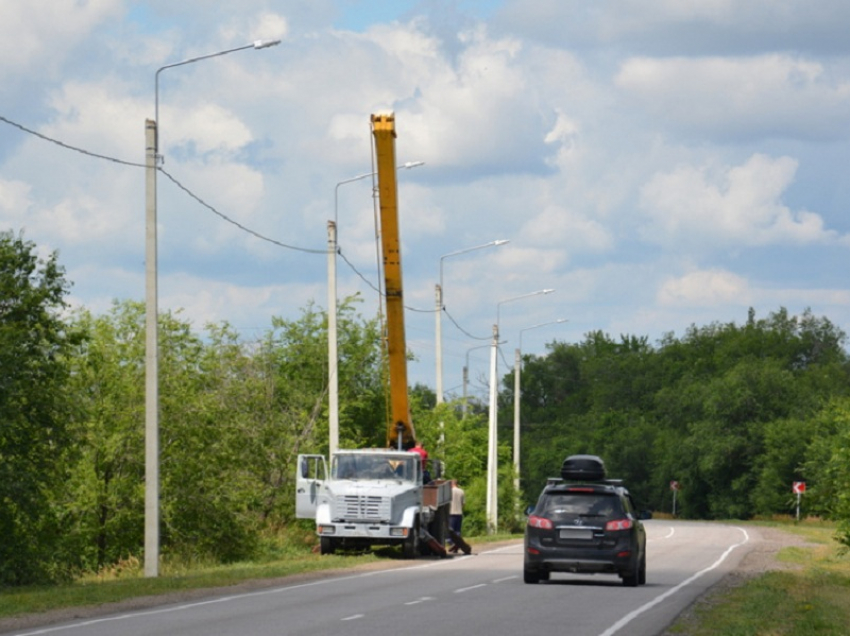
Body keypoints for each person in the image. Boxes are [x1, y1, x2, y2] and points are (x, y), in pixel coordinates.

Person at [449, 480, 465, 552]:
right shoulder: (461, 491)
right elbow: (463, 503)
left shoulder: (449, 491)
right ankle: (457, 545)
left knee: (451, 531)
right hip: (459, 513)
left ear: (452, 484)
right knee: (458, 531)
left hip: (451, 513)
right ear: (456, 484)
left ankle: (453, 543)